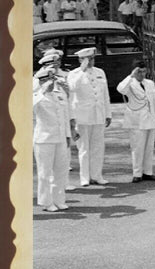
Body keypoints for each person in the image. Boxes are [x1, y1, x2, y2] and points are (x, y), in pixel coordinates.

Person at [67, 47, 112, 187]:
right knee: (84, 148)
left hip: (98, 115)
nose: (91, 61)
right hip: (82, 116)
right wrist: (82, 70)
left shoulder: (100, 72)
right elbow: (72, 88)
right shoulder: (74, 74)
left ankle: (97, 175)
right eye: (88, 59)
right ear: (81, 60)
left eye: (93, 58)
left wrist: (108, 113)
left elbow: (105, 95)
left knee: (98, 147)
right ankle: (85, 177)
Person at [117, 61, 155, 183]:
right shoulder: (130, 83)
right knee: (137, 148)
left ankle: (148, 172)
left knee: (149, 148)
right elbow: (121, 89)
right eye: (139, 71)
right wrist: (131, 76)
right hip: (136, 121)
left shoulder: (149, 83)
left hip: (149, 119)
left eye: (144, 71)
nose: (142, 74)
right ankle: (137, 173)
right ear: (134, 71)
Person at [33, 67, 71, 212]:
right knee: (45, 172)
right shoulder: (36, 96)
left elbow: (64, 116)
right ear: (41, 81)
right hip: (44, 139)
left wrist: (67, 135)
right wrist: (43, 91)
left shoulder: (58, 94)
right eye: (47, 80)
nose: (51, 82)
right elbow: (30, 107)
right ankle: (46, 202)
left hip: (60, 138)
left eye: (52, 79)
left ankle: (59, 199)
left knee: (60, 171)